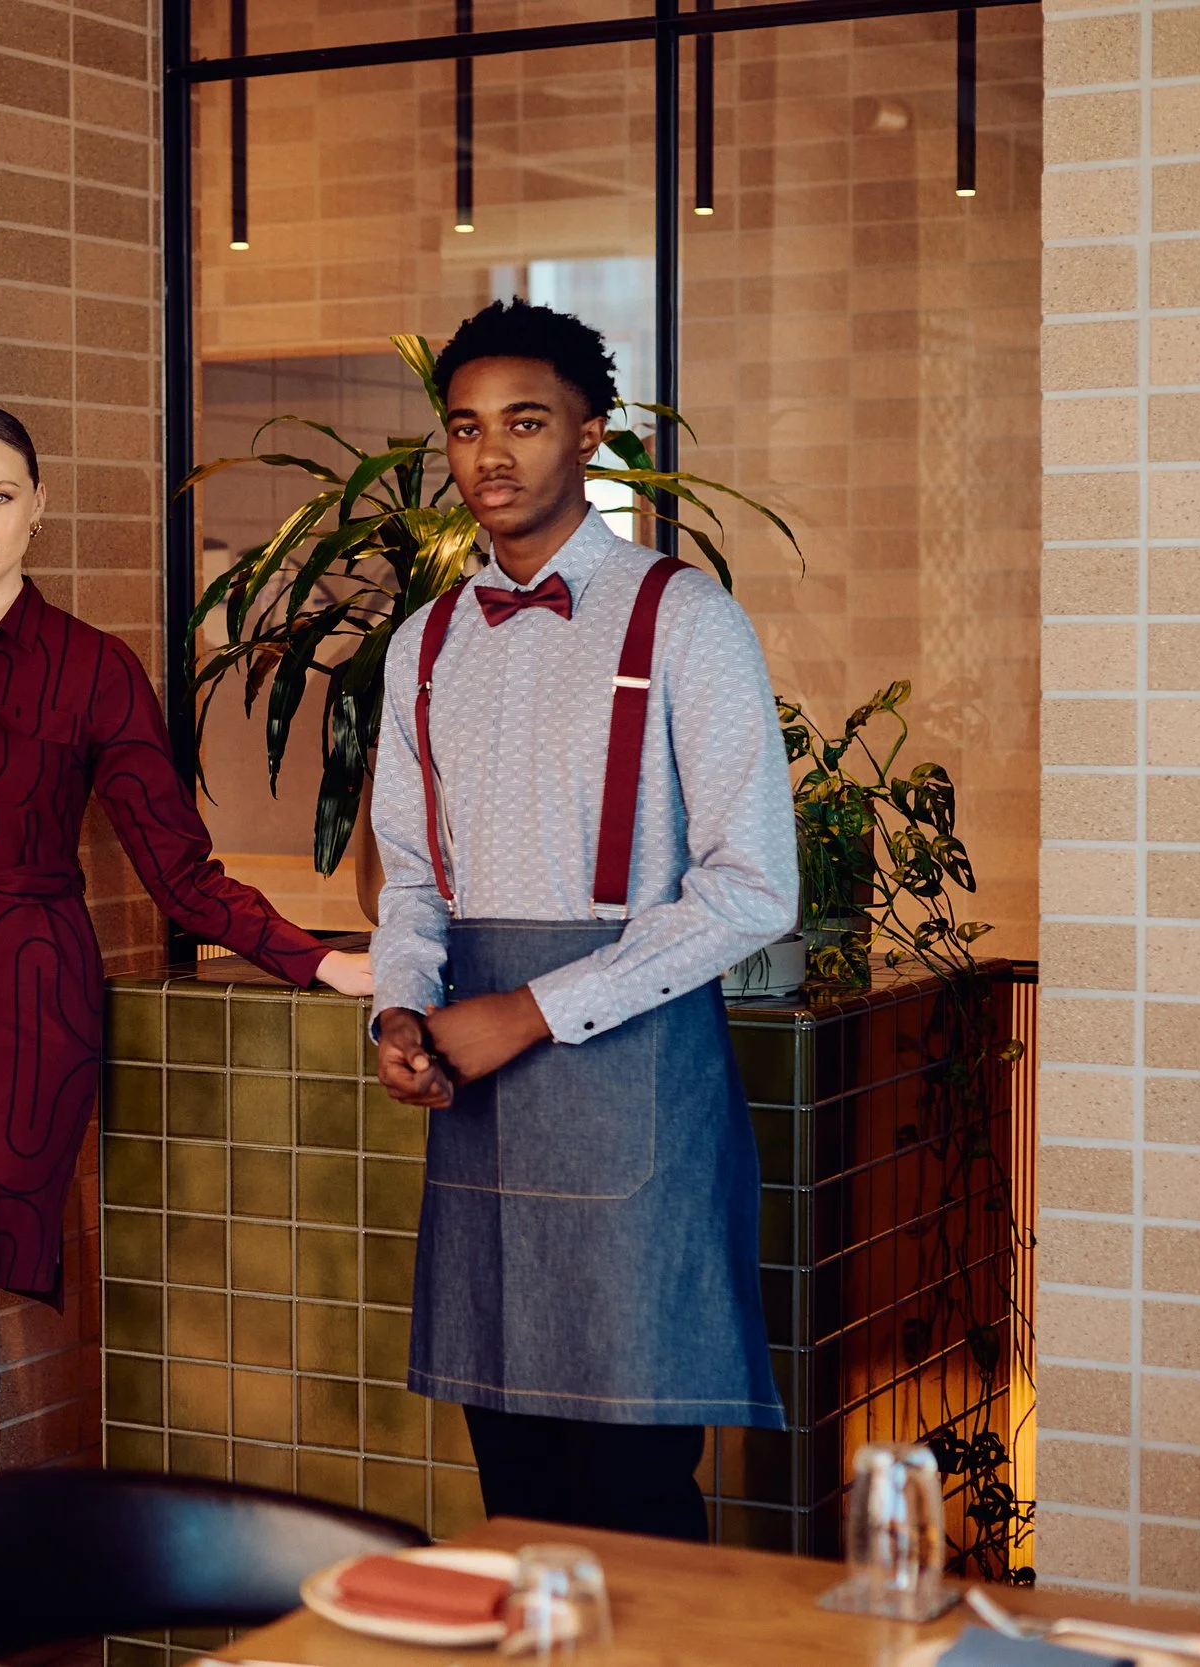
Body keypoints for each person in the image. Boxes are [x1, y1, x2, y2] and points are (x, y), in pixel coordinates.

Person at [0, 405, 373, 1665]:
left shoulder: (95, 666)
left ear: (38, 508)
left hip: (19, 1009)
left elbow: (177, 866)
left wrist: (314, 957)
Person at [368, 301, 796, 1541]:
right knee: (514, 1498)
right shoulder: (424, 641)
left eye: (525, 421)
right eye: (463, 427)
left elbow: (752, 884)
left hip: (635, 1093)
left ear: (591, 437)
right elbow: (409, 874)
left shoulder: (687, 619)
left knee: (635, 1498)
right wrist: (405, 1005)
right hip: (475, 1103)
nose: (490, 453)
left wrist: (527, 1010)